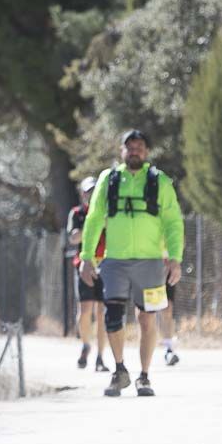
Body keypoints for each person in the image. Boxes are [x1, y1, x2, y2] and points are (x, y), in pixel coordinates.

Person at [79, 130, 184, 397]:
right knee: (112, 316)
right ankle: (119, 369)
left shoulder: (159, 181)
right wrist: (87, 256)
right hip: (114, 261)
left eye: (139, 146)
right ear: (122, 151)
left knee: (147, 319)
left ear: (146, 151)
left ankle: (145, 376)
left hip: (150, 262)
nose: (134, 151)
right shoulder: (109, 179)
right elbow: (94, 219)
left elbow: (173, 223)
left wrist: (175, 258)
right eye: (129, 147)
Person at [66, 176, 109, 371]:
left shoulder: (107, 214)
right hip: (85, 266)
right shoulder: (77, 213)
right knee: (85, 312)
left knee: (102, 313)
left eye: (94, 191)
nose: (91, 195)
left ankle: (101, 358)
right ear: (82, 194)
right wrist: (92, 225)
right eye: (88, 192)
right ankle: (85, 344)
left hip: (106, 265)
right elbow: (73, 238)